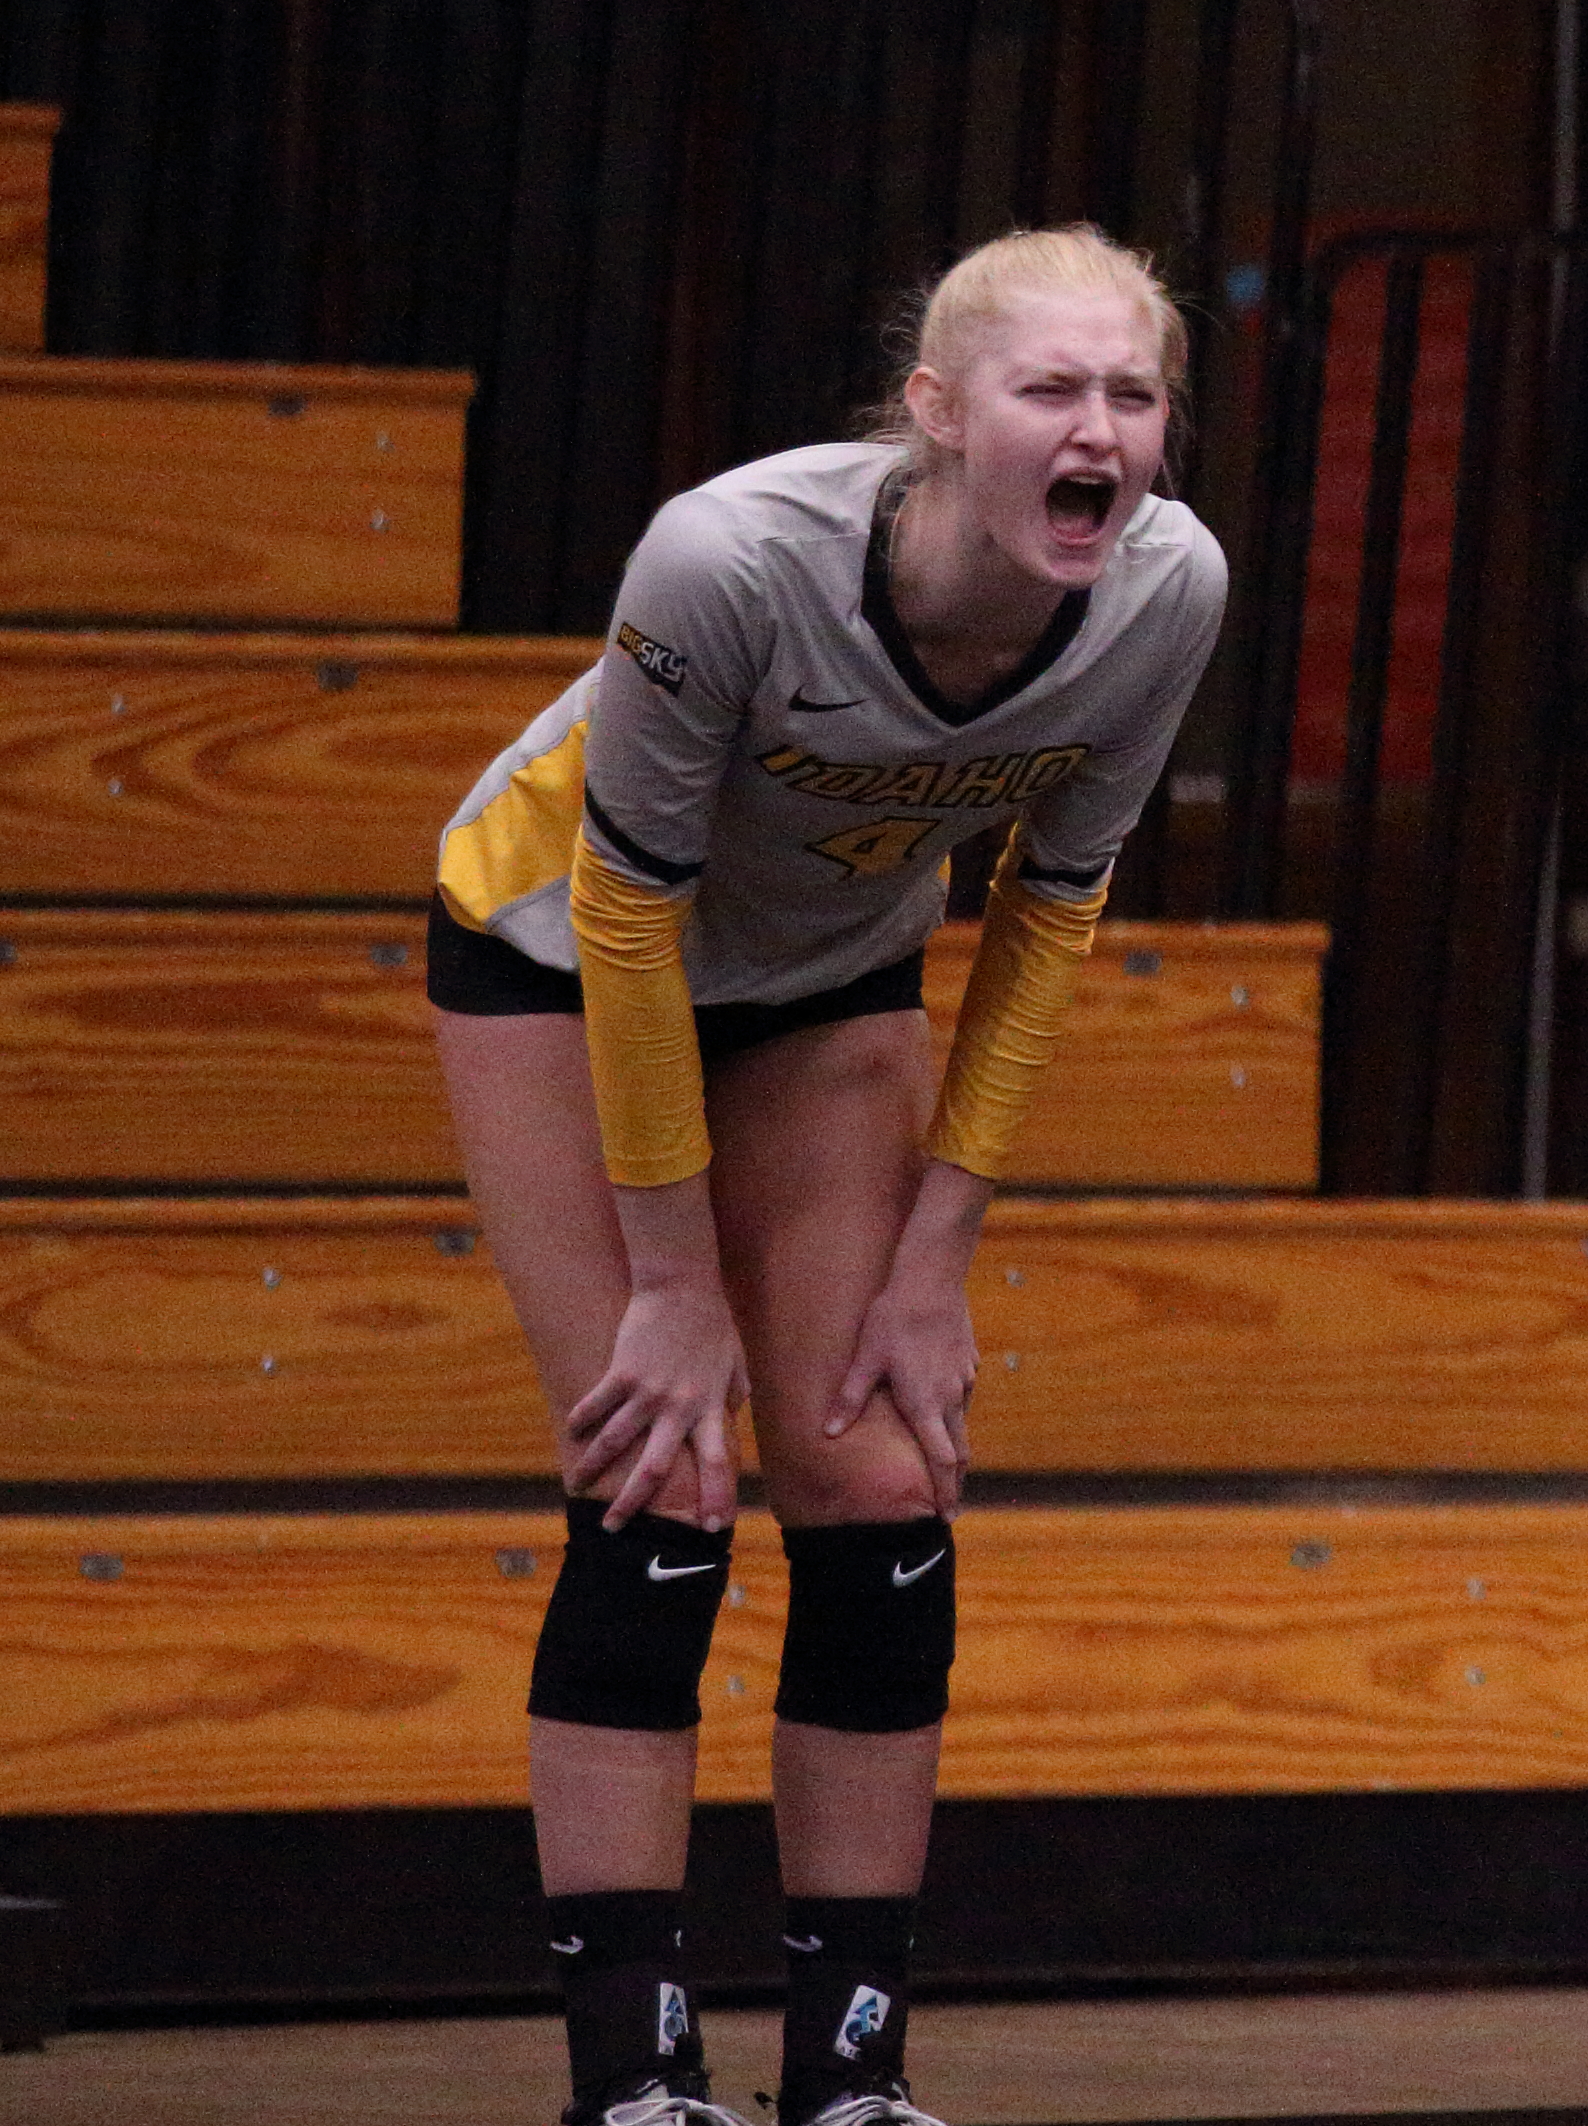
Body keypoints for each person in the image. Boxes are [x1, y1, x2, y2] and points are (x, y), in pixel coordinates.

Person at [425, 226, 1233, 2126]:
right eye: (1053, 391)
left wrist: (939, 1255)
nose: (1100, 432)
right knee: (664, 1461)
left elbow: (1053, 911)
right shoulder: (731, 559)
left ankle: (850, 2075)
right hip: (557, 947)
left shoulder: (1164, 583)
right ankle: (634, 2074)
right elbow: (626, 911)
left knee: (874, 1469)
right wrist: (675, 1280)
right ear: (940, 419)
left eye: (1133, 395)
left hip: (824, 980)